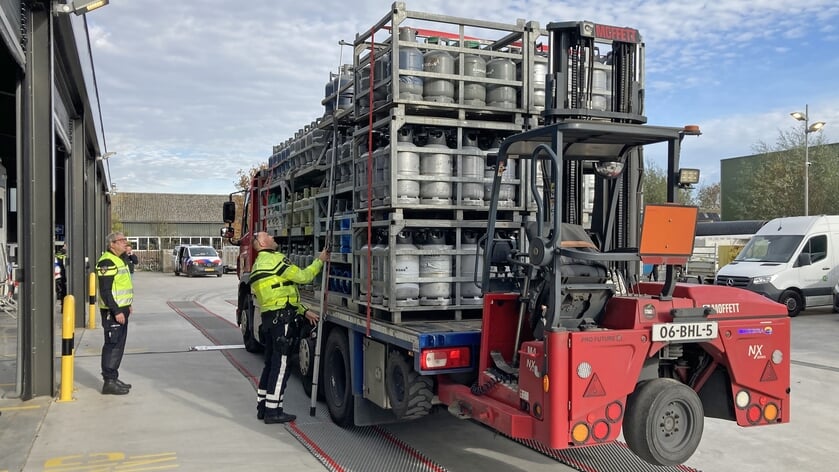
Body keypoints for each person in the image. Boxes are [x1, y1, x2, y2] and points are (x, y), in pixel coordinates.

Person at [250, 231, 328, 424]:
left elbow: (281, 294)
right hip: (281, 322)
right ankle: (273, 412)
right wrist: (320, 260)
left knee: (270, 364)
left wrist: (303, 311)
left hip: (269, 320)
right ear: (262, 242)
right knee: (282, 366)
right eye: (268, 235)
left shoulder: (257, 265)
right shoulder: (276, 260)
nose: (273, 237)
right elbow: (303, 277)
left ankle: (263, 407)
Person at [97, 232, 134, 395]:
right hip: (113, 311)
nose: (125, 243)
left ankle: (113, 377)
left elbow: (122, 286)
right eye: (121, 240)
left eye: (125, 240)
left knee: (119, 345)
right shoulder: (107, 261)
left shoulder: (120, 259)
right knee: (112, 346)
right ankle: (109, 381)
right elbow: (105, 291)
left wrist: (128, 305)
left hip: (122, 309)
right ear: (112, 244)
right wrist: (116, 310)